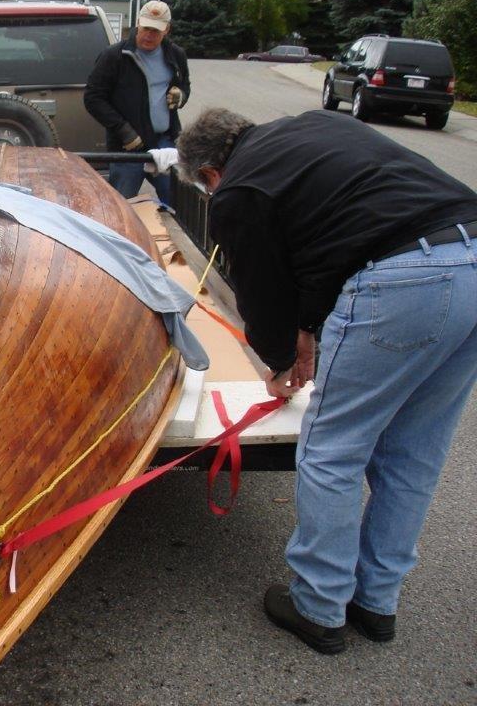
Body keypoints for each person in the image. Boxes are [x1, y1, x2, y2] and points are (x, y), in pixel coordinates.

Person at [175, 108, 477, 654]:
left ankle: (319, 605)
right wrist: (310, 332)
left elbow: (262, 291)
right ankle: (375, 603)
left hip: (408, 273)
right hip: (470, 253)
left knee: (333, 451)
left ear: (210, 175)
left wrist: (282, 361)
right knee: (413, 453)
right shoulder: (315, 132)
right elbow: (329, 246)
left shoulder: (240, 189)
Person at [83, 0, 190, 206]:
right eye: (146, 28)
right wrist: (123, 130)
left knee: (179, 205)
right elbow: (93, 97)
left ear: (166, 29)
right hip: (127, 147)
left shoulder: (176, 55)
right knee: (122, 208)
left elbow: (184, 84)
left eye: (156, 31)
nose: (149, 35)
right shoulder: (114, 56)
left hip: (164, 144)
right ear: (138, 23)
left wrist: (181, 94)